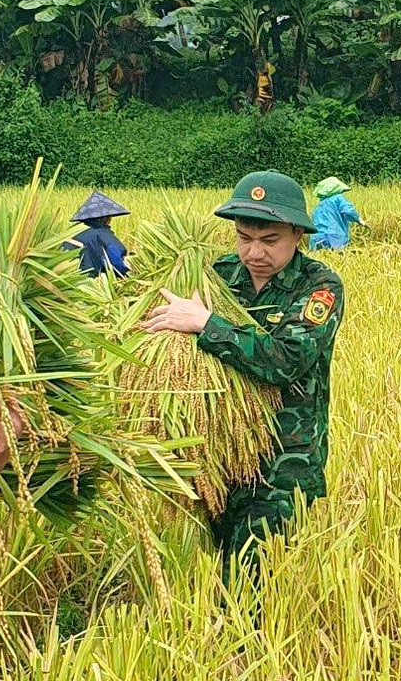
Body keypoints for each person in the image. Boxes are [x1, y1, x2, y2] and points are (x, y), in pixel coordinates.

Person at [142, 171, 343, 571]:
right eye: (244, 238)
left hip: (283, 462)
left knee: (252, 575)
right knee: (208, 570)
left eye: (270, 241)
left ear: (297, 235)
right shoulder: (217, 276)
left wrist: (206, 324)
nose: (255, 253)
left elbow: (288, 360)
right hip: (216, 456)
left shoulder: (319, 286)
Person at [68, 190, 130, 277]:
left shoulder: (72, 231)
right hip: (92, 282)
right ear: (106, 219)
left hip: (68, 281)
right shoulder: (103, 234)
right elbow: (117, 262)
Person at [310, 177, 362, 251]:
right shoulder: (337, 198)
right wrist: (358, 219)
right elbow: (348, 210)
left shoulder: (319, 206)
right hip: (334, 237)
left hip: (317, 238)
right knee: (336, 255)